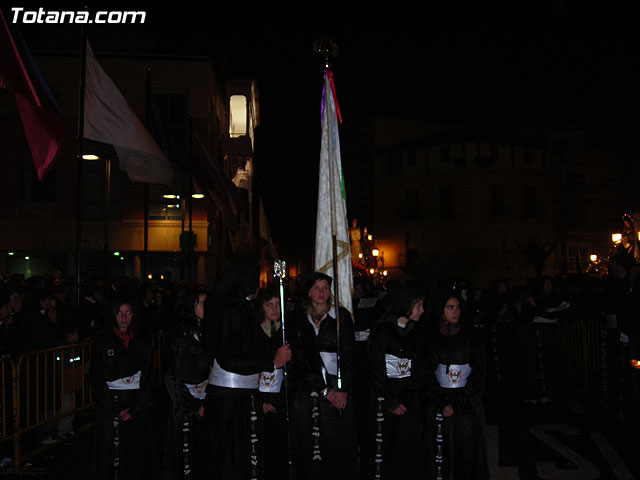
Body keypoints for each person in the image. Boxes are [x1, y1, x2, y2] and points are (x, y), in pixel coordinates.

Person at [204, 259, 292, 480]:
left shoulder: (244, 311)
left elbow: (255, 347)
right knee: (230, 458)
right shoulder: (229, 311)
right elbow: (228, 359)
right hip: (228, 399)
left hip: (244, 397)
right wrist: (271, 362)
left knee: (246, 457)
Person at [290, 272, 356, 480]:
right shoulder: (300, 319)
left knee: (337, 444)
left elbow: (348, 354)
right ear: (309, 292)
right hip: (309, 389)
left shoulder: (341, 317)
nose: (321, 292)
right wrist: (322, 389)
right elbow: (300, 358)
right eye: (316, 287)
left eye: (325, 288)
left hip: (337, 389)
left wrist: (342, 389)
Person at [424, 292, 489, 480]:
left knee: (467, 450)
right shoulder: (431, 338)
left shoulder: (471, 336)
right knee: (441, 450)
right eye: (450, 307)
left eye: (458, 307)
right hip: (441, 402)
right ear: (441, 310)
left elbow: (479, 371)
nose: (455, 311)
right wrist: (441, 402)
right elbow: (426, 373)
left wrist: (465, 399)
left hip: (467, 402)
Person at [367, 286, 427, 480]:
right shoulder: (383, 332)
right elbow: (376, 370)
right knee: (387, 450)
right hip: (386, 400)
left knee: (408, 449)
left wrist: (407, 399)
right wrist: (392, 401)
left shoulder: (416, 333)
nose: (422, 310)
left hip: (408, 401)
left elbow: (418, 370)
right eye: (417, 305)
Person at [90, 299, 153, 480]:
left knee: (134, 452)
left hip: (134, 403)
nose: (124, 317)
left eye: (128, 313)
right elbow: (96, 377)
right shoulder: (102, 341)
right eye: (120, 313)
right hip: (110, 404)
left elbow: (147, 377)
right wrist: (113, 408)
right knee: (108, 453)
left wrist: (135, 407)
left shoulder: (142, 342)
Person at [163, 289, 210, 480]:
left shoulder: (208, 333)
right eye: (201, 303)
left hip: (206, 401)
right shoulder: (179, 338)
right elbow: (172, 377)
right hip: (186, 405)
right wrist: (193, 405)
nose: (206, 307)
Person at [255, 286, 291, 480]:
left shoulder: (286, 331)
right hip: (259, 397)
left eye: (278, 305)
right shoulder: (254, 332)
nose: (275, 309)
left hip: (279, 399)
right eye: (270, 305)